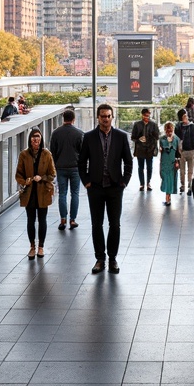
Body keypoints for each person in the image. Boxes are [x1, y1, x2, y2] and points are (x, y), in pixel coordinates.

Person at [78, 104, 133, 275]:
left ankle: (113, 258)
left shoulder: (121, 136)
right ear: (98, 118)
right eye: (102, 116)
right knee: (97, 224)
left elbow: (128, 161)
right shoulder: (88, 137)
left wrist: (124, 181)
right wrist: (86, 181)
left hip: (115, 187)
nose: (105, 119)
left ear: (112, 117)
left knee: (114, 225)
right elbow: (81, 162)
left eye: (108, 116)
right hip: (95, 187)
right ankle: (100, 259)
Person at [16, 128, 55, 260]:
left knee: (42, 220)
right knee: (30, 220)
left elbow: (52, 174)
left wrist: (42, 178)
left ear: (41, 139)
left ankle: (41, 247)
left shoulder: (46, 154)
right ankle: (32, 246)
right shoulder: (24, 155)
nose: (35, 140)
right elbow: (18, 174)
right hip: (29, 193)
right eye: (33, 138)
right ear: (29, 140)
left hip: (43, 192)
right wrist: (25, 181)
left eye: (38, 137)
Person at [50, 109, 83, 229]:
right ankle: (72, 220)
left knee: (62, 194)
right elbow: (82, 152)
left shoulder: (56, 133)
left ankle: (63, 219)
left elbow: (52, 151)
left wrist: (56, 164)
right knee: (75, 194)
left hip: (61, 168)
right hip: (75, 168)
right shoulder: (79, 133)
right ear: (73, 119)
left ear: (63, 118)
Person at [131, 107, 160, 192]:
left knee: (150, 167)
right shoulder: (137, 125)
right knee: (141, 167)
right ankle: (142, 184)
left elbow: (157, 137)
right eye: (145, 116)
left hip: (150, 149)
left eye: (148, 116)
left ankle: (148, 183)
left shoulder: (153, 125)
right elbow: (133, 137)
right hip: (140, 149)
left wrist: (152, 136)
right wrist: (139, 139)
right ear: (142, 115)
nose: (147, 117)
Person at [176, 108, 194, 195]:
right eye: (184, 116)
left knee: (190, 170)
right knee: (183, 171)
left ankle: (189, 186)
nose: (185, 118)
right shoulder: (180, 127)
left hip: (189, 150)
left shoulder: (191, 126)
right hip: (183, 151)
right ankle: (184, 185)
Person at [158, 122, 182, 206]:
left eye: (170, 131)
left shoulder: (176, 139)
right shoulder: (161, 139)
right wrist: (159, 150)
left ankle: (168, 198)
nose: (169, 133)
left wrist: (177, 162)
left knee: (170, 179)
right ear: (165, 131)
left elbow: (179, 153)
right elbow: (158, 150)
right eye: (167, 131)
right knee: (165, 178)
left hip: (172, 163)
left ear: (173, 130)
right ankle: (168, 198)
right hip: (164, 162)